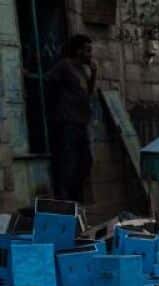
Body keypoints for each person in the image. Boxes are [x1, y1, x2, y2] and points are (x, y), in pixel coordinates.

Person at [45, 34, 96, 202]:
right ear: (78, 50)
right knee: (68, 161)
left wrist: (94, 73)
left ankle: (75, 196)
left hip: (80, 122)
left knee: (85, 161)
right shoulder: (65, 66)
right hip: (67, 122)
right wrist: (60, 106)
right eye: (87, 50)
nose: (90, 54)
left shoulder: (82, 70)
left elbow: (88, 93)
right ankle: (65, 198)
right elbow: (49, 82)